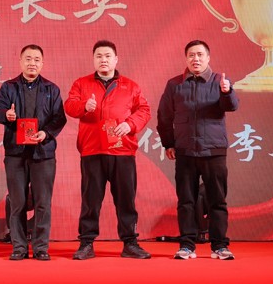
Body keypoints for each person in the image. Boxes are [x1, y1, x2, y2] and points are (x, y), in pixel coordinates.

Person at [64, 40, 152, 260]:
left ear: (116, 59)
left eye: (107, 56)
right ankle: (86, 243)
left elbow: (144, 110)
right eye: (99, 56)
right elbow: (69, 106)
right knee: (91, 200)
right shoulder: (81, 84)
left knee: (126, 200)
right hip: (92, 150)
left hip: (122, 151)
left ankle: (130, 243)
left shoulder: (131, 86)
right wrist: (84, 106)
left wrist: (130, 125)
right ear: (93, 60)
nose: (103, 60)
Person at [157, 40, 239, 260]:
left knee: (217, 200)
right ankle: (187, 245)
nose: (196, 59)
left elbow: (231, 106)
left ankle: (219, 246)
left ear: (208, 58)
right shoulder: (175, 84)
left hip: (213, 151)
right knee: (186, 201)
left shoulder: (219, 81)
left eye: (200, 55)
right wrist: (169, 143)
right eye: (191, 55)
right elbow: (164, 116)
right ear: (186, 58)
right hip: (185, 152)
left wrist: (227, 91)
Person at [0, 44, 67, 261]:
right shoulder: (8, 87)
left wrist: (46, 133)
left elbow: (59, 118)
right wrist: (6, 115)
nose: (32, 63)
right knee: (17, 202)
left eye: (36, 59)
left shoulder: (51, 89)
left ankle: (41, 247)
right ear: (20, 61)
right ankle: (19, 247)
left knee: (43, 202)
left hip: (43, 153)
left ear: (42, 63)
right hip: (16, 153)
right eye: (28, 59)